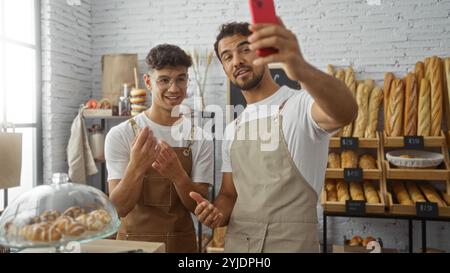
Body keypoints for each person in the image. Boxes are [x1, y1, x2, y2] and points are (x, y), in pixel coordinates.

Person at [190, 20, 358, 253]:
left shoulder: (300, 105)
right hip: (239, 248)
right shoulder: (233, 129)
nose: (237, 61)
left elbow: (346, 112)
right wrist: (215, 214)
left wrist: (300, 67)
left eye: (245, 49)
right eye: (227, 57)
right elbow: (229, 195)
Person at [105, 44, 213, 253]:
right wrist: (136, 166)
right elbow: (118, 209)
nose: (174, 88)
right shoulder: (121, 135)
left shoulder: (200, 137)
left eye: (181, 79)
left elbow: (198, 209)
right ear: (148, 82)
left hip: (181, 245)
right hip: (133, 246)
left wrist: (178, 175)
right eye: (164, 80)